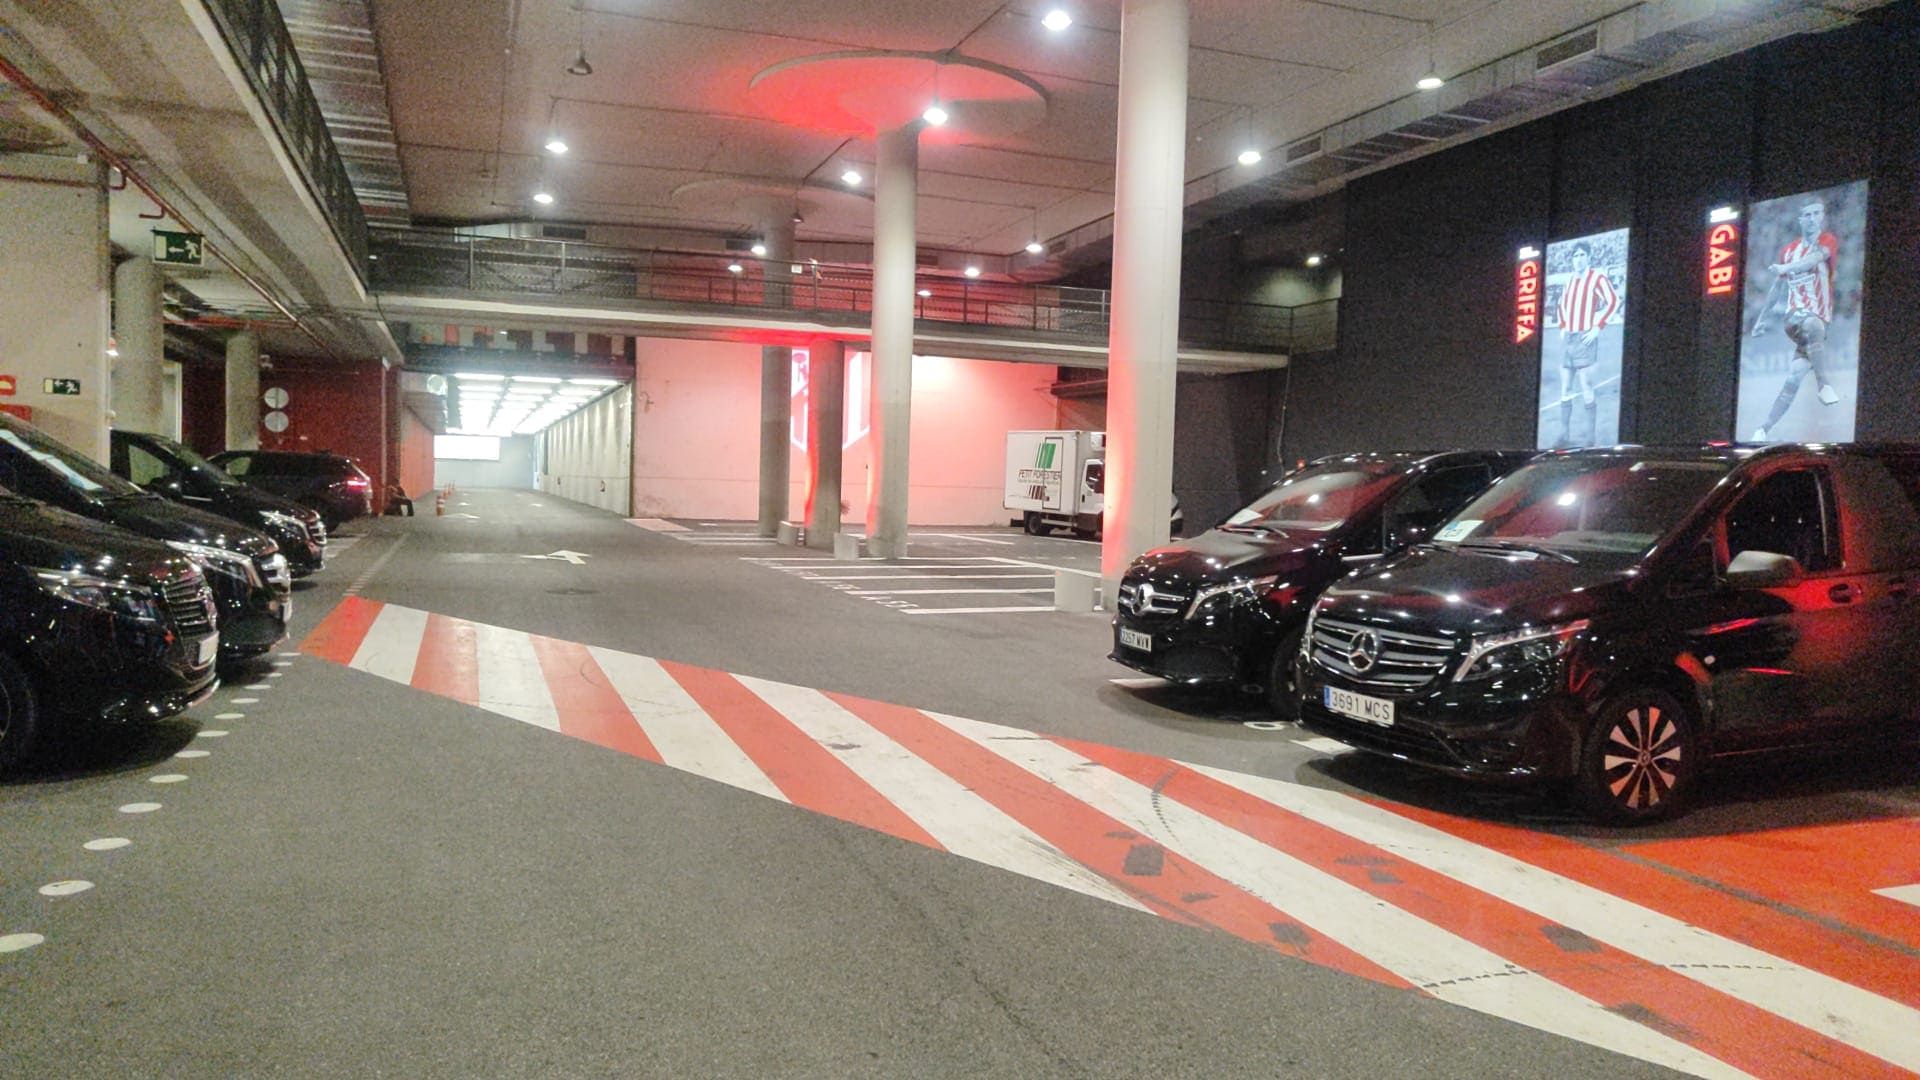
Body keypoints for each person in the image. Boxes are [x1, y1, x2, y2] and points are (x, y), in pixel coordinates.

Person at [1750, 199, 1842, 441]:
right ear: (1800, 220)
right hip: (1795, 319)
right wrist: (1761, 319)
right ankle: (1824, 385)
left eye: (1815, 213)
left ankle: (1762, 430)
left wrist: (1785, 268)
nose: (1811, 218)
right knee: (1812, 323)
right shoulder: (1789, 250)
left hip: (1820, 325)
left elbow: (1813, 261)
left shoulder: (1827, 242)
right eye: (1807, 215)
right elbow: (1776, 289)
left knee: (1793, 377)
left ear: (1821, 216)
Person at [1552, 242, 1619, 448]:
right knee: (1565, 386)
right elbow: (1561, 305)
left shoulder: (1597, 278)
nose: (1578, 258)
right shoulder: (1570, 280)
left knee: (1586, 385)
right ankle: (1564, 435)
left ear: (1588, 257)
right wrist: (1563, 325)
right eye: (1575, 255)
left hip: (1584, 338)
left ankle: (1590, 439)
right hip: (1569, 338)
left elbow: (1614, 301)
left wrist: (1597, 327)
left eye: (1582, 255)